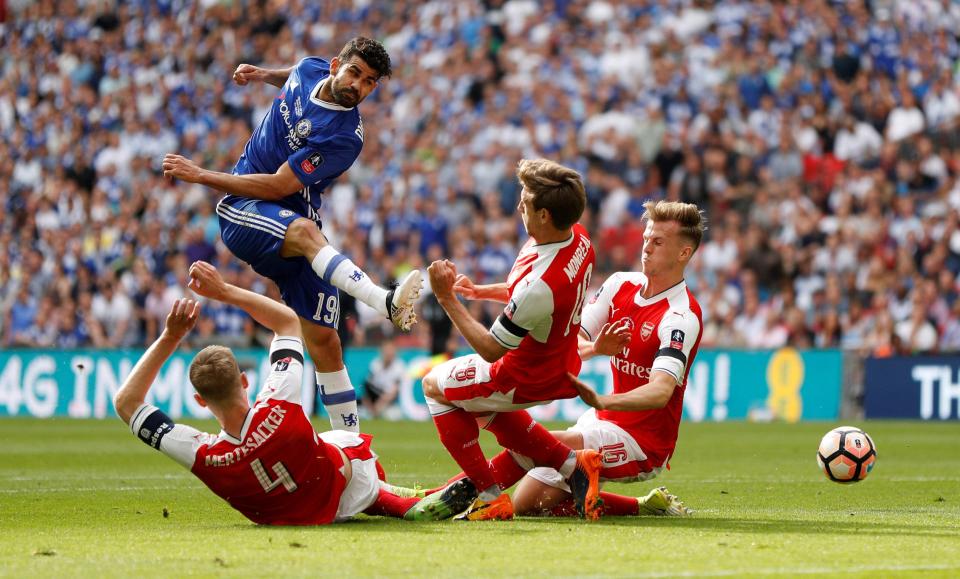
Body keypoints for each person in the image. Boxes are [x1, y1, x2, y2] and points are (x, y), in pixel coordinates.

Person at [161, 37, 422, 434]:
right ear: (335, 65)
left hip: (286, 209)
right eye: (355, 73)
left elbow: (277, 186)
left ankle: (353, 453)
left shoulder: (345, 137)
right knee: (304, 232)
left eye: (370, 83)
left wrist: (200, 174)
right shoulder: (310, 67)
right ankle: (383, 301)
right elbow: (294, 77)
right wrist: (264, 74)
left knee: (326, 343)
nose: (359, 86)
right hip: (241, 209)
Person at [112, 261, 470, 525]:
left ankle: (401, 498)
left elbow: (127, 404)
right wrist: (223, 291)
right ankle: (398, 500)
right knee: (345, 442)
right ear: (245, 382)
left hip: (288, 515)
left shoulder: (203, 454)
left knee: (325, 450)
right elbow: (286, 322)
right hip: (343, 490)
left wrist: (169, 337)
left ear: (200, 401)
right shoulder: (278, 401)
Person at [415, 159, 603, 521]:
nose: (519, 207)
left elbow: (490, 349)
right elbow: (534, 301)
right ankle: (573, 465)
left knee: (433, 386)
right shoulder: (577, 237)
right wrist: (482, 292)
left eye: (526, 202)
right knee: (481, 404)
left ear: (545, 214)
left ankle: (490, 497)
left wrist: (445, 298)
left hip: (523, 374)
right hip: (559, 362)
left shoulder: (539, 286)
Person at [509, 200, 705, 517]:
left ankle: (459, 494)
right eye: (646, 239)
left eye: (658, 242)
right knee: (528, 503)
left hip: (642, 444)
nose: (646, 248)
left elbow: (660, 391)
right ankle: (643, 507)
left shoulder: (680, 316)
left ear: (683, 253)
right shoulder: (619, 285)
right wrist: (597, 349)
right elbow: (572, 343)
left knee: (536, 443)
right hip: (601, 422)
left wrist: (603, 401)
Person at [360, 340, 404, 418]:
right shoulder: (375, 364)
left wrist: (378, 406)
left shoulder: (399, 366)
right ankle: (370, 410)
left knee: (393, 416)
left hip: (388, 399)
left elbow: (394, 391)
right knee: (364, 385)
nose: (389, 353)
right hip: (375, 395)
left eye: (391, 350)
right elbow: (367, 387)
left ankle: (376, 412)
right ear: (382, 351)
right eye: (387, 350)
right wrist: (371, 407)